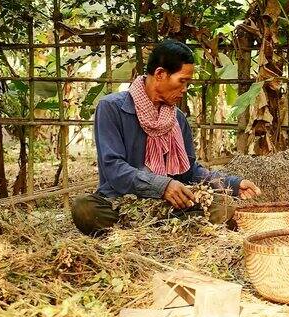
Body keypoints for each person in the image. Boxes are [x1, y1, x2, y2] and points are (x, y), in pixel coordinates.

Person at [71, 39, 261, 235]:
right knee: (84, 208)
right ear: (160, 74)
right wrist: (162, 186)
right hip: (119, 204)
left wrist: (234, 184)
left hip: (167, 207)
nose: (185, 89)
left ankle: (149, 232)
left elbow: (190, 172)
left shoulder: (178, 119)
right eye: (182, 81)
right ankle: (156, 231)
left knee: (223, 206)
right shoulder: (111, 108)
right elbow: (113, 169)